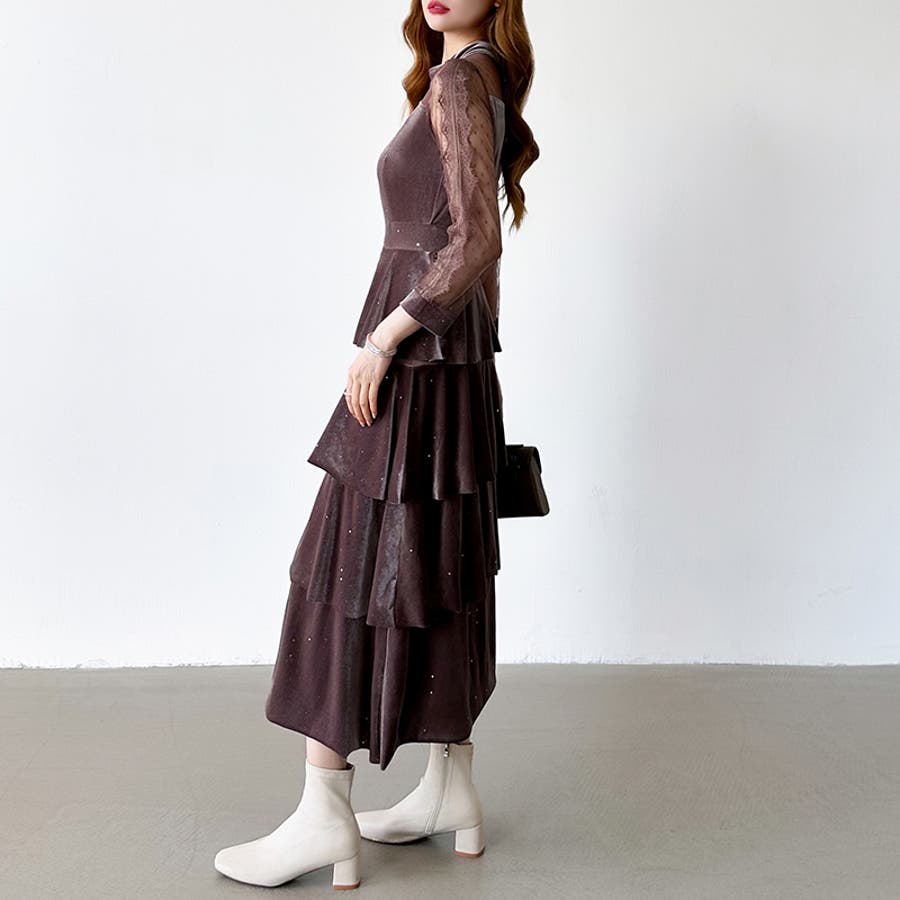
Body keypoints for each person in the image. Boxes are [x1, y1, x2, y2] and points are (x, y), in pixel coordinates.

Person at [214, 0, 539, 889]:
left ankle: (324, 812)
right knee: (435, 562)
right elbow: (484, 252)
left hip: (419, 361)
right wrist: (474, 367)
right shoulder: (474, 78)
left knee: (346, 567)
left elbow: (474, 240)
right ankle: (450, 789)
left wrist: (387, 338)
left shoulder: (458, 81)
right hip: (452, 363)